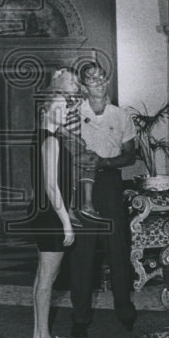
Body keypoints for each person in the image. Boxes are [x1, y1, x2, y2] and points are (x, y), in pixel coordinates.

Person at [70, 63, 137, 338]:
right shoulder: (74, 114)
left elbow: (130, 155)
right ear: (83, 86)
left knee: (117, 249)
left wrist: (106, 161)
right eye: (91, 78)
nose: (98, 81)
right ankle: (80, 317)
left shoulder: (121, 115)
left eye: (101, 76)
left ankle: (125, 311)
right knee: (82, 253)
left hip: (110, 183)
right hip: (82, 184)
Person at [31, 84, 76, 338]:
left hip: (42, 215)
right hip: (50, 217)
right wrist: (66, 222)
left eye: (65, 106)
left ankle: (39, 336)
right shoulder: (51, 140)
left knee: (41, 279)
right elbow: (51, 186)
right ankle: (44, 337)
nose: (64, 111)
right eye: (58, 107)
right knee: (47, 279)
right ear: (45, 111)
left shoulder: (39, 136)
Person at [49, 67, 102, 225]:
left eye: (77, 83)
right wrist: (74, 138)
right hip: (67, 142)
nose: (76, 86)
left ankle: (87, 203)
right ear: (59, 84)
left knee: (89, 161)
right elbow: (57, 126)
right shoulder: (58, 100)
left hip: (75, 141)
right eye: (71, 82)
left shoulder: (72, 99)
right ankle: (70, 208)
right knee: (74, 171)